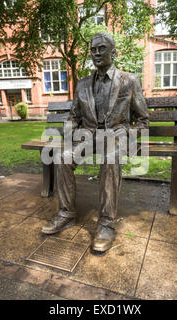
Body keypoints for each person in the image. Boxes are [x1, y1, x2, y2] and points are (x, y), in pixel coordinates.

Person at [41, 33, 149, 252]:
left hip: (116, 136)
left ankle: (107, 224)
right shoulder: (82, 84)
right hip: (88, 136)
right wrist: (72, 135)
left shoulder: (129, 81)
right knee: (63, 158)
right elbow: (73, 117)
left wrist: (129, 137)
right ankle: (66, 213)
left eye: (102, 48)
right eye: (93, 49)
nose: (97, 53)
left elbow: (143, 120)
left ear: (114, 52)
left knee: (110, 159)